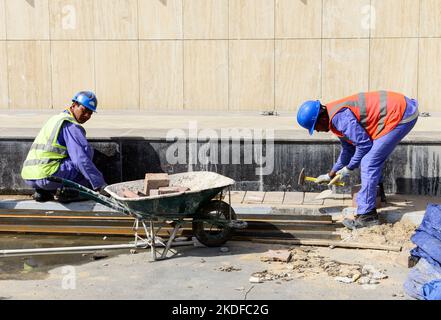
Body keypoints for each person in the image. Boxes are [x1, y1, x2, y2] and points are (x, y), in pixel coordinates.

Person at [297, 91, 419, 229]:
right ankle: (378, 194)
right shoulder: (332, 117)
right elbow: (348, 150)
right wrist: (331, 174)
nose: (317, 131)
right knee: (372, 157)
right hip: (399, 109)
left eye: (315, 127)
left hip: (401, 114)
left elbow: (364, 145)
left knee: (369, 162)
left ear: (321, 118)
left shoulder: (340, 119)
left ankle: (367, 216)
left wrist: (348, 168)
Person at [21, 91, 107, 203]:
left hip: (30, 176)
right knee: (86, 157)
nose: (87, 115)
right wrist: (99, 184)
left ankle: (45, 192)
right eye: (84, 110)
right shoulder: (71, 125)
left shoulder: (55, 119)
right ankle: (68, 194)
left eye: (90, 113)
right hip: (48, 176)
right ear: (74, 105)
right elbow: (80, 159)